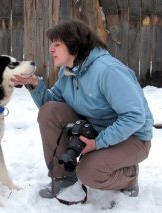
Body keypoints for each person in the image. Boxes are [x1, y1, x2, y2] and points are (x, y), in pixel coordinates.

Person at [11, 19, 153, 199]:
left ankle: (129, 175)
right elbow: (52, 105)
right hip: (96, 130)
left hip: (133, 138)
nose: (51, 49)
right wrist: (34, 84)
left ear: (74, 44)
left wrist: (98, 143)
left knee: (89, 173)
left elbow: (134, 117)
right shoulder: (68, 72)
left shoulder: (108, 71)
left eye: (57, 44)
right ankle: (63, 174)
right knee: (49, 112)